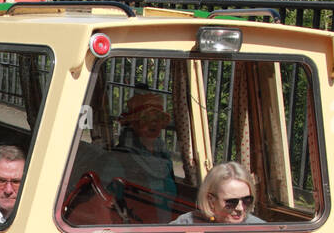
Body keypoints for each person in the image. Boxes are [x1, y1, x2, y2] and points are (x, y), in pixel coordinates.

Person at [99, 90, 178, 220]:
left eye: (158, 118)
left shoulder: (164, 157)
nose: (153, 124)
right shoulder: (119, 158)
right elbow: (108, 206)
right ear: (133, 124)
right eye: (146, 119)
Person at [170, 161, 265, 225]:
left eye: (246, 200)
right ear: (211, 200)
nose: (240, 208)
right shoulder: (186, 225)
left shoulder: (261, 230)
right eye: (231, 202)